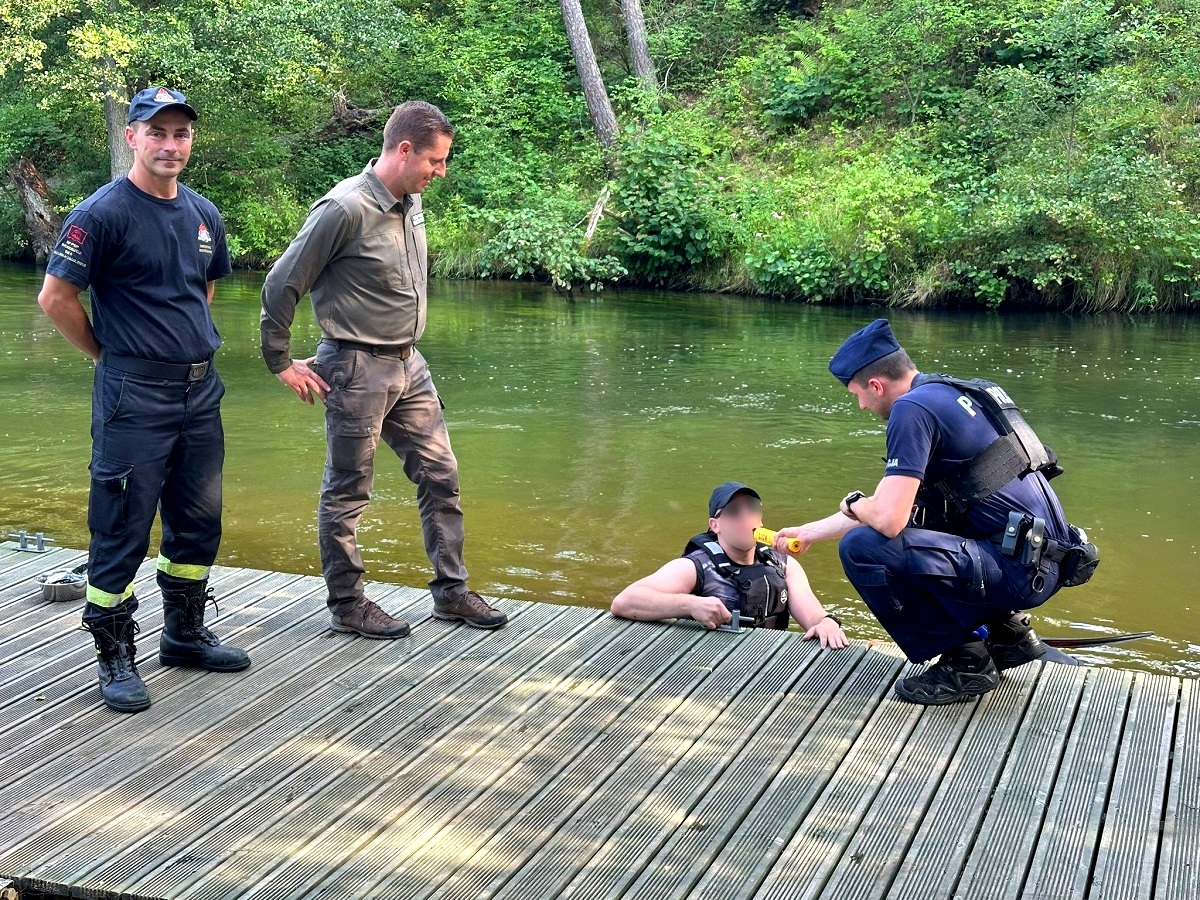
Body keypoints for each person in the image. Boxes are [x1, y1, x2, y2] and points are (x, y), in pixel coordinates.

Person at [37, 87, 251, 714]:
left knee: (198, 519)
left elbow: (201, 290)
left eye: (181, 133)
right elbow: (55, 298)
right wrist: (108, 356)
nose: (170, 144)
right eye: (157, 132)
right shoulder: (102, 214)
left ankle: (183, 635)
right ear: (132, 137)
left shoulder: (204, 214)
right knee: (122, 525)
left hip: (199, 391)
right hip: (133, 396)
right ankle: (115, 656)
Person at [260, 100, 506, 638]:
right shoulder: (344, 208)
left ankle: (452, 593)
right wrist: (280, 361)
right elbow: (281, 283)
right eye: (435, 161)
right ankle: (348, 605)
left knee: (441, 476)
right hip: (355, 368)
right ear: (404, 150)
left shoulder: (410, 200)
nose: (441, 172)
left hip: (409, 365)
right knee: (348, 489)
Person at [774, 319, 1098, 705]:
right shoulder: (953, 393)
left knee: (862, 548)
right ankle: (1007, 635)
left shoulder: (909, 410)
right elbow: (892, 502)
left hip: (1018, 571)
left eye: (857, 395)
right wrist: (810, 531)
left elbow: (887, 520)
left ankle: (966, 662)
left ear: (876, 385)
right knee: (924, 521)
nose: (861, 406)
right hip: (1048, 560)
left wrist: (853, 503)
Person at [611, 482, 848, 648]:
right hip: (707, 665)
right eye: (734, 511)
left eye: (752, 507)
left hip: (770, 662)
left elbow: (813, 615)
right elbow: (624, 601)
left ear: (760, 519)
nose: (745, 516)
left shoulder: (784, 565)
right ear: (715, 525)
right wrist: (690, 604)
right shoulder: (695, 567)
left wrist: (826, 623)